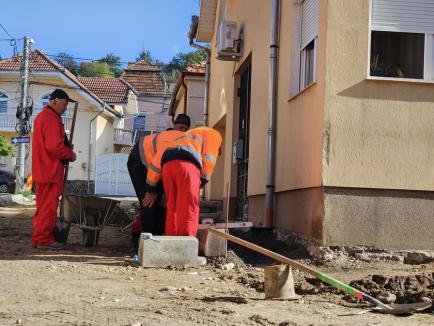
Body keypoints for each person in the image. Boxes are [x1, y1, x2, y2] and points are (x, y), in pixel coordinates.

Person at [144, 126, 222, 237]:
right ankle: (187, 243)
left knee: (172, 206)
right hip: (187, 166)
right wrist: (203, 182)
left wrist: (151, 188)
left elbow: (155, 166)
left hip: (167, 166)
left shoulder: (190, 134)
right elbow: (209, 160)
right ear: (219, 148)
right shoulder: (215, 136)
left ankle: (172, 240)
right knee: (189, 206)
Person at [127, 114, 191, 245]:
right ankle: (147, 241)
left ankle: (159, 237)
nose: (182, 130)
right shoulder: (170, 141)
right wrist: (151, 190)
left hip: (156, 168)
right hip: (139, 162)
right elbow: (156, 167)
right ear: (174, 126)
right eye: (180, 127)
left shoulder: (185, 144)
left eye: (185, 128)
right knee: (148, 202)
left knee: (162, 203)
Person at [32, 89, 77, 250]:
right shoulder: (50, 119)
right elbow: (53, 146)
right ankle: (44, 239)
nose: (65, 108)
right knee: (48, 207)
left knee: (44, 206)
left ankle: (40, 237)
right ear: (55, 101)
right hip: (49, 170)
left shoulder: (45, 117)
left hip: (45, 169)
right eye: (64, 104)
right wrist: (70, 154)